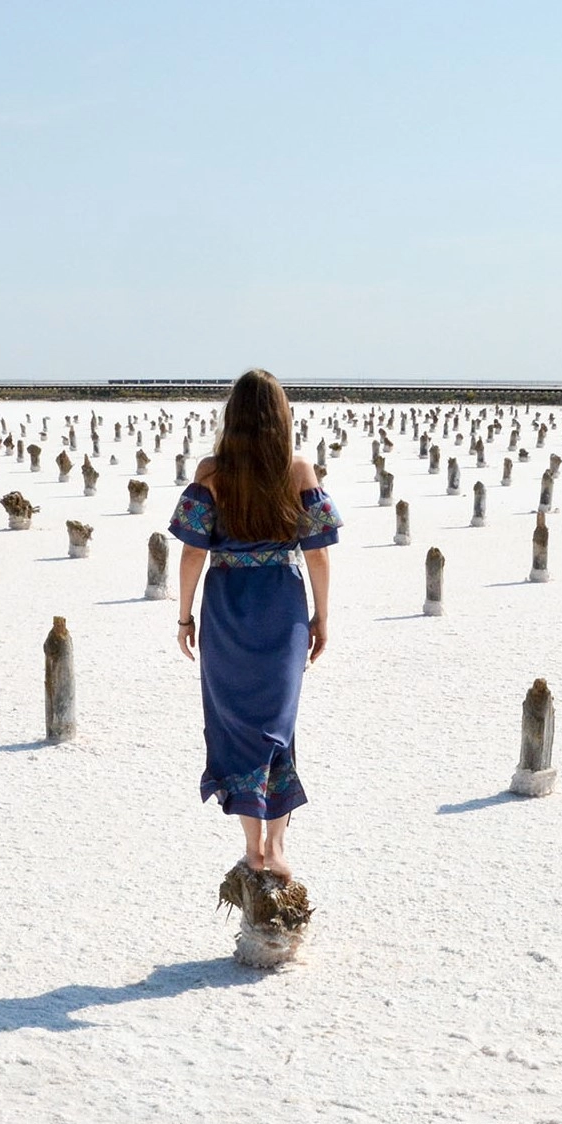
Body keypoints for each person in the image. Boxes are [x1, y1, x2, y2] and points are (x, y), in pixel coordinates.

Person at [169, 369, 341, 882]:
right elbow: (318, 557)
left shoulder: (212, 472)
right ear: (281, 418)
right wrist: (321, 616)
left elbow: (192, 553)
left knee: (236, 726)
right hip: (281, 606)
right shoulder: (299, 470)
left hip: (226, 606)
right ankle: (277, 845)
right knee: (277, 726)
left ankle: (254, 848)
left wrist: (184, 615)